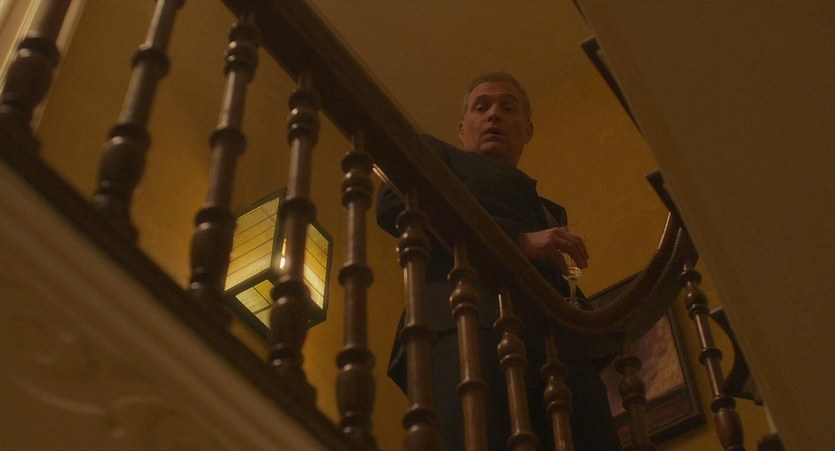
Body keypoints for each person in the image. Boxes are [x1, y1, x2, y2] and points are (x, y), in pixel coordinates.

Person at [376, 72, 621, 450]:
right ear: (462, 128)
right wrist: (518, 241)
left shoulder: (549, 212)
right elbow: (394, 203)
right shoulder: (436, 154)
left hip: (555, 355)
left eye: (508, 108)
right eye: (481, 107)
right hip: (466, 323)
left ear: (527, 130)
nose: (494, 115)